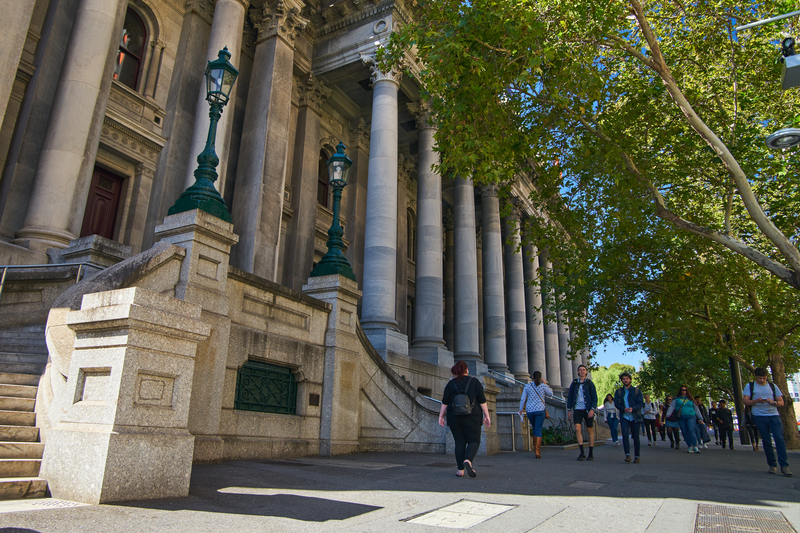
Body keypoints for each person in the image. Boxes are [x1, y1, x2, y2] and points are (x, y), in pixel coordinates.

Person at [439, 361, 491, 477]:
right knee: (474, 440)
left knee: (459, 442)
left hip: (455, 417)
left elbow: (445, 401)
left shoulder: (451, 384)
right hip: (472, 417)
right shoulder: (475, 382)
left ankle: (460, 470)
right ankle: (468, 460)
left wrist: (441, 416)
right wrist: (487, 416)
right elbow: (482, 400)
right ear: (467, 370)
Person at [743, 368, 792, 476]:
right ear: (755, 376)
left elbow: (781, 402)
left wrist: (773, 402)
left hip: (774, 415)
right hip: (759, 416)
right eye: (759, 378)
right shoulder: (750, 386)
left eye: (764, 378)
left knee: (779, 439)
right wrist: (756, 401)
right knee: (766, 441)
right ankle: (772, 465)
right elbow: (745, 401)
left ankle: (784, 465)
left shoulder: (772, 386)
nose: (762, 380)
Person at [518, 371, 553, 459]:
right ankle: (537, 451)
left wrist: (520, 410)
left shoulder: (527, 386)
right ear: (540, 378)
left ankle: (536, 449)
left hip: (530, 410)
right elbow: (550, 394)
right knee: (538, 429)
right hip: (540, 410)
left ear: (532, 377)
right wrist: (545, 384)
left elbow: (523, 399)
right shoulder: (543, 386)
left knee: (534, 428)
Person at [567, 365, 598, 461]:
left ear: (586, 372)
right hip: (577, 409)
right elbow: (570, 396)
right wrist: (569, 409)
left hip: (587, 409)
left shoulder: (589, 383)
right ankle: (582, 452)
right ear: (578, 372)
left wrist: (592, 409)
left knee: (589, 430)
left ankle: (591, 453)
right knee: (577, 428)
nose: (582, 371)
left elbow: (594, 397)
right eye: (580, 370)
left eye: (583, 370)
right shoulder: (575, 383)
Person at [613, 372, 644, 463]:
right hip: (625, 417)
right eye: (624, 379)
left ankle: (637, 456)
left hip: (635, 416)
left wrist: (632, 408)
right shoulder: (619, 391)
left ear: (630, 380)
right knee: (625, 436)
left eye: (627, 379)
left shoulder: (637, 391)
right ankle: (628, 455)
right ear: (622, 380)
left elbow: (640, 403)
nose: (625, 380)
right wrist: (624, 409)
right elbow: (616, 403)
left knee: (636, 437)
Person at [665, 385, 704, 454]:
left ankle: (695, 446)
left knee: (691, 430)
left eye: (685, 390)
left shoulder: (690, 399)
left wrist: (700, 418)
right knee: (685, 431)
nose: (684, 391)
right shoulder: (676, 399)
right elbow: (672, 407)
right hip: (681, 417)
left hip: (691, 416)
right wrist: (667, 415)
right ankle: (689, 446)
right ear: (680, 391)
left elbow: (696, 408)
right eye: (682, 390)